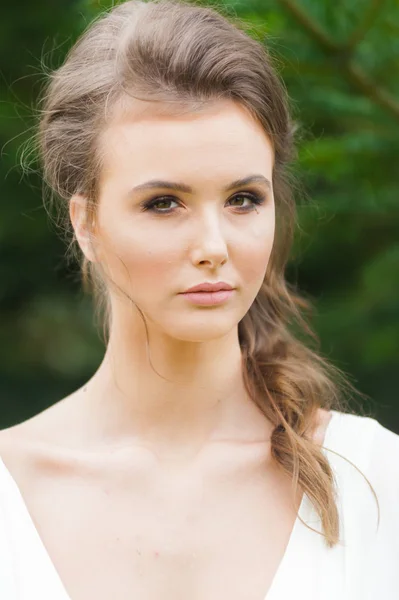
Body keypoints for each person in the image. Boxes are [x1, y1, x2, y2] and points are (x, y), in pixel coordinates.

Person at [1, 0, 398, 598]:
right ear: (86, 223)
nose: (214, 246)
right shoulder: (12, 492)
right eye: (164, 203)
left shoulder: (372, 480)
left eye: (243, 199)